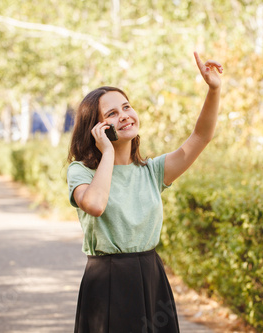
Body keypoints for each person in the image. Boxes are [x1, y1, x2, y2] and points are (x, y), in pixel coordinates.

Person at [66, 52, 222, 333]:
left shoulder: (152, 171)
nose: (124, 116)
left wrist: (213, 89)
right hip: (107, 279)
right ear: (97, 128)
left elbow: (201, 136)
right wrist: (108, 153)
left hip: (151, 276)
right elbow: (96, 204)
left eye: (126, 107)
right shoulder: (81, 172)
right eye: (112, 114)